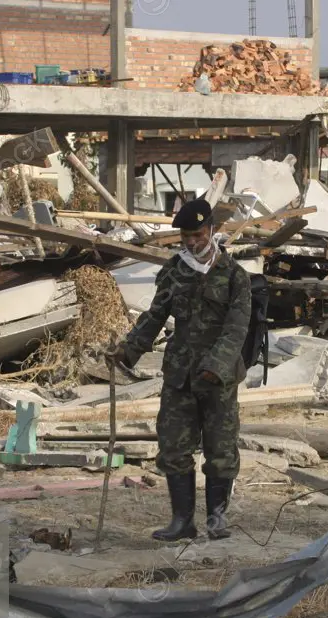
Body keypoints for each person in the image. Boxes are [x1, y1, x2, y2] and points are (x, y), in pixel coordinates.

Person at [112, 198, 252, 542]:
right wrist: (128, 351)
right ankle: (181, 521)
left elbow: (236, 329)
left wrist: (216, 366)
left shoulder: (235, 276)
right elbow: (154, 317)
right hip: (179, 375)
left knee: (220, 449)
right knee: (174, 448)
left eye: (198, 235)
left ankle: (217, 518)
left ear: (213, 231)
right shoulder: (175, 271)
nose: (191, 242)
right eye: (186, 236)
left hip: (218, 379)